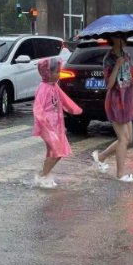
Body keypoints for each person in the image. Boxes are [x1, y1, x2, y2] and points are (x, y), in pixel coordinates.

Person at [91, 33, 133, 182]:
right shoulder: (109, 58)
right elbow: (109, 85)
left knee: (129, 139)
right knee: (123, 139)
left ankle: (101, 157)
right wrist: (117, 65)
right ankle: (121, 175)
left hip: (127, 100)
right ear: (115, 39)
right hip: (115, 102)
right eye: (122, 37)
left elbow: (129, 76)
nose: (125, 40)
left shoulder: (127, 55)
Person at [33, 57, 82, 188]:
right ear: (48, 73)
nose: (58, 75)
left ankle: (44, 175)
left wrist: (74, 109)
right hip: (47, 125)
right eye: (56, 72)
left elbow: (64, 99)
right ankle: (43, 176)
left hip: (57, 125)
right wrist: (43, 121)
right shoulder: (43, 88)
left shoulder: (54, 86)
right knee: (57, 150)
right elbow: (38, 107)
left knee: (56, 152)